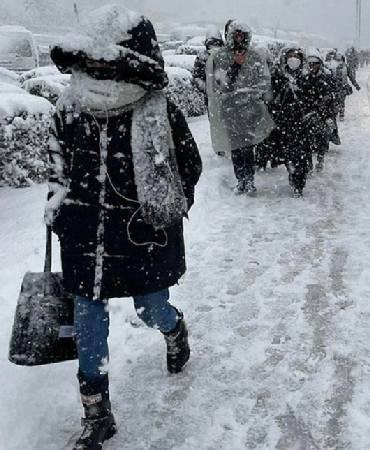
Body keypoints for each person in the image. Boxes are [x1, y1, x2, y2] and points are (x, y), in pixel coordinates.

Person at [46, 5, 202, 449]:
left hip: (142, 236)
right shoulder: (69, 108)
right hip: (84, 237)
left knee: (150, 307)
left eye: (105, 64)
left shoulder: (158, 112)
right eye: (89, 64)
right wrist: (59, 209)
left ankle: (173, 329)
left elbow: (188, 166)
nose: (96, 72)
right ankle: (97, 413)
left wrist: (165, 207)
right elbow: (57, 168)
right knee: (88, 319)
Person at [206, 20, 274, 195]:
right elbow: (221, 85)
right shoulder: (220, 57)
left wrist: (251, 94)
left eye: (242, 35)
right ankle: (240, 180)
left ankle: (249, 180)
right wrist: (236, 65)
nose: (239, 38)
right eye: (236, 34)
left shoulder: (255, 56)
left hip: (251, 109)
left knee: (248, 146)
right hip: (230, 109)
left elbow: (263, 82)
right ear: (229, 36)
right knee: (235, 146)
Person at [268, 47, 311, 197]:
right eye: (290, 56)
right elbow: (271, 98)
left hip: (302, 124)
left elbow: (313, 98)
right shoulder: (278, 76)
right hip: (284, 123)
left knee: (301, 156)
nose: (293, 59)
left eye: (296, 56)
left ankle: (299, 182)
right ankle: (294, 177)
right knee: (289, 155)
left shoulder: (307, 77)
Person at [300, 49, 339, 173]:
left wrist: (327, 107)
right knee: (307, 140)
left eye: (315, 63)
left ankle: (320, 159)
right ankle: (309, 163)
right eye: (310, 64)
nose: (312, 66)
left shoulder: (326, 78)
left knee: (322, 138)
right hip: (308, 113)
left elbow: (333, 95)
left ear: (319, 64)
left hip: (323, 114)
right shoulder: (304, 78)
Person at [192, 31, 224, 103]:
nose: (214, 47)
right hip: (210, 96)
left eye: (216, 44)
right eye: (211, 45)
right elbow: (196, 76)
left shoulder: (225, 56)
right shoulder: (202, 56)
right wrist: (206, 88)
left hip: (224, 95)